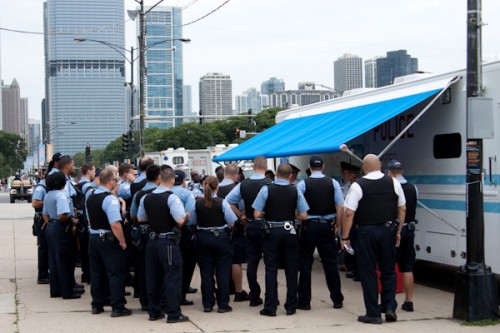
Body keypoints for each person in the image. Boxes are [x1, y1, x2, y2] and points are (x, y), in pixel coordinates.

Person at [341, 154, 406, 324]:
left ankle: (373, 313)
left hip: (366, 232)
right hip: (388, 230)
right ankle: (390, 306)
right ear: (381, 165)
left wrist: (345, 236)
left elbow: (349, 213)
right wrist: (398, 230)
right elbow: (403, 208)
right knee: (389, 270)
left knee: (368, 272)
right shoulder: (394, 183)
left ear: (364, 167)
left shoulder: (358, 185)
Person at [252, 163, 309, 317]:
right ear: (291, 175)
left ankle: (270, 307)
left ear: (276, 173)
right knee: (291, 269)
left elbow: (256, 214)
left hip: (272, 231)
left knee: (271, 269)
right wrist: (292, 215)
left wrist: (269, 213)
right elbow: (304, 215)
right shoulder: (295, 190)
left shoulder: (266, 189)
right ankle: (291, 306)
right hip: (290, 231)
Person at [137, 167, 189, 323]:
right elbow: (180, 220)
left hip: (152, 241)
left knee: (152, 277)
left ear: (159, 178)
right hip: (167, 241)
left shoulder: (146, 197)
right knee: (172, 277)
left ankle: (154, 311)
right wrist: (186, 215)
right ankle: (174, 313)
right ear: (172, 180)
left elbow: (141, 218)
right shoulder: (172, 198)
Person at [297, 156, 344, 310]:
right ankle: (337, 299)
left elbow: (296, 203)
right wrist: (338, 224)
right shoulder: (333, 183)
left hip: (308, 226)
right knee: (330, 263)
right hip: (327, 227)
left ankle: (304, 301)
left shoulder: (303, 184)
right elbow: (340, 206)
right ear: (323, 166)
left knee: (305, 263)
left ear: (310, 167)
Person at [225, 156, 272, 307]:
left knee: (252, 261)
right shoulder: (270, 184)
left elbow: (228, 201)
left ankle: (254, 295)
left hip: (250, 225)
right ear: (266, 168)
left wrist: (241, 216)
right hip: (267, 226)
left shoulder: (243, 184)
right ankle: (271, 296)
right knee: (270, 263)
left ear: (253, 167)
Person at [86, 169, 131, 317]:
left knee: (96, 272)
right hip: (107, 238)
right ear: (111, 181)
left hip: (93, 238)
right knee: (115, 272)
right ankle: (118, 306)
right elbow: (115, 224)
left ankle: (97, 304)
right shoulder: (110, 199)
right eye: (115, 181)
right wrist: (122, 242)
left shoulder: (91, 197)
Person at [191, 176, 238, 313]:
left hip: (203, 238)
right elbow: (231, 221)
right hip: (221, 237)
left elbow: (193, 221)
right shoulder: (222, 202)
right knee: (222, 272)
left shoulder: (197, 203)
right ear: (216, 186)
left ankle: (207, 303)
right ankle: (223, 304)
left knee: (206, 272)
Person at [42, 172, 82, 299]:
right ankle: (67, 291)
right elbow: (63, 215)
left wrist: (51, 224)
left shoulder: (48, 195)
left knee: (54, 260)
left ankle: (56, 289)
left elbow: (45, 214)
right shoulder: (61, 196)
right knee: (65, 260)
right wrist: (72, 221)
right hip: (61, 227)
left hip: (51, 227)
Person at [386, 160, 417, 312]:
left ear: (389, 172)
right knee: (407, 267)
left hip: (395, 230)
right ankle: (409, 301)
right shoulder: (413, 188)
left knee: (390, 267)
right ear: (402, 172)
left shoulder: (390, 187)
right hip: (410, 230)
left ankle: (390, 301)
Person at [130, 163, 161, 310]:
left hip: (142, 234)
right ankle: (159, 299)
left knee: (142, 267)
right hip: (159, 233)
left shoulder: (139, 194)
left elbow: (133, 215)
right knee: (160, 268)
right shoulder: (162, 193)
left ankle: (144, 299)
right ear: (159, 176)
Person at [218, 164, 250, 302]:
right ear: (236, 175)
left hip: (218, 229)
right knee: (236, 260)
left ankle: (224, 288)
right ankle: (238, 291)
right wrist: (241, 218)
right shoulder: (236, 189)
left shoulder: (214, 188)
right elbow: (242, 208)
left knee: (220, 261)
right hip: (235, 228)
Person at [171, 170, 198, 306]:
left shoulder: (166, 192)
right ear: (183, 181)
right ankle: (182, 294)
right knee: (187, 264)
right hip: (186, 231)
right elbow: (191, 214)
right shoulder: (187, 193)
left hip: (169, 231)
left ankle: (172, 294)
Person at [340, 161, 361, 279]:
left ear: (351, 174)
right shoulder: (347, 185)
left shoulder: (358, 185)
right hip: (346, 219)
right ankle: (350, 267)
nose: (343, 174)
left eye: (344, 172)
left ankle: (356, 269)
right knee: (348, 244)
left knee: (355, 244)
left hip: (354, 219)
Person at [76, 162, 96, 284]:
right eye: (93, 171)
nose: (94, 173)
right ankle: (88, 274)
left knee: (83, 250)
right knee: (87, 251)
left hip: (80, 219)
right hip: (85, 221)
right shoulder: (87, 186)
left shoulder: (79, 184)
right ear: (89, 171)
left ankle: (85, 274)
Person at [32, 171, 49, 285]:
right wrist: (49, 201)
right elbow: (35, 203)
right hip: (41, 220)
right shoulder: (41, 187)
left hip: (46, 219)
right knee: (43, 248)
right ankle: (42, 275)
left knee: (47, 248)